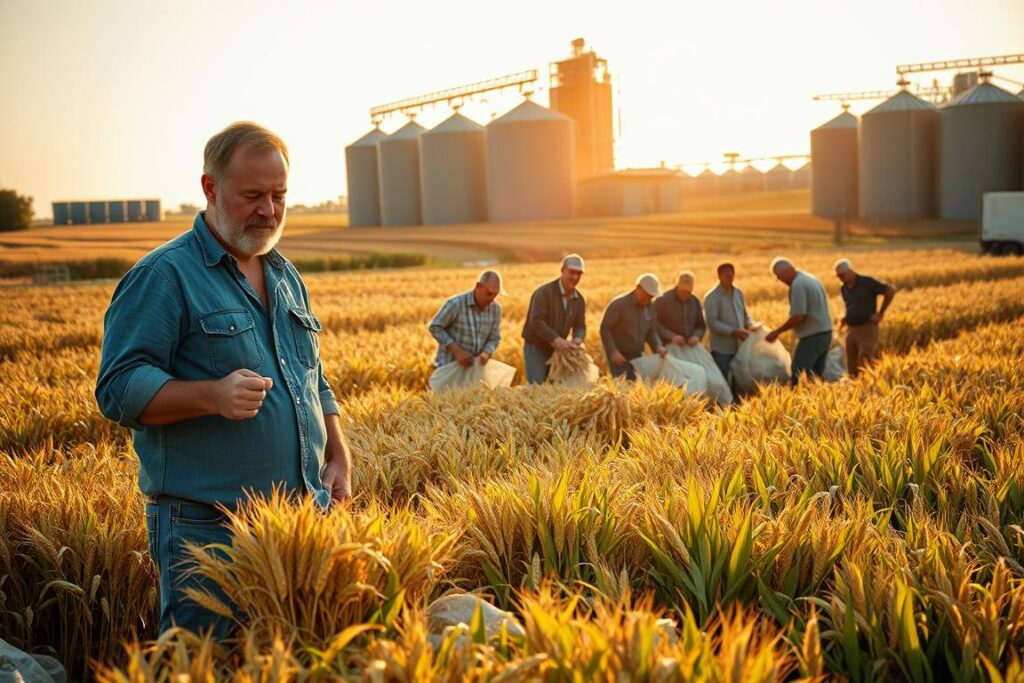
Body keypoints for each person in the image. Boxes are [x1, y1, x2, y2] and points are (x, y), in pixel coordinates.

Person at [95, 122, 353, 638]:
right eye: (253, 195)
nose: (269, 210)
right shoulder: (164, 276)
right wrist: (212, 395)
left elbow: (312, 376)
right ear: (210, 189)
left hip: (302, 522)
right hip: (210, 531)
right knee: (208, 664)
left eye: (279, 195)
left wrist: (338, 453)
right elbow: (118, 388)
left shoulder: (284, 273)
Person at [765, 257, 833, 384]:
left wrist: (777, 331)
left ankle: (799, 400)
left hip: (812, 336)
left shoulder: (798, 285)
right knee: (815, 376)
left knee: (798, 373)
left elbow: (799, 316)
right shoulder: (809, 278)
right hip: (825, 332)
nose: (780, 281)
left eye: (779, 277)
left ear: (787, 271)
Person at [521, 254, 587, 384]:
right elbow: (537, 321)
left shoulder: (579, 299)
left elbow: (580, 325)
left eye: (579, 274)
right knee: (537, 387)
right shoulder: (543, 293)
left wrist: (578, 339)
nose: (575, 277)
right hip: (536, 347)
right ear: (562, 270)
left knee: (555, 389)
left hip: (557, 351)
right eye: (571, 272)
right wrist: (555, 339)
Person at [428, 271, 504, 370]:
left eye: (495, 295)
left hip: (475, 371)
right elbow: (435, 327)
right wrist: (457, 351)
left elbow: (495, 337)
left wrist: (486, 352)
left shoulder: (496, 309)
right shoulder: (456, 304)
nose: (492, 299)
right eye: (489, 293)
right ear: (478, 286)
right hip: (448, 368)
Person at [834, 258, 896, 377]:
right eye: (839, 276)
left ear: (850, 271)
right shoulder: (844, 288)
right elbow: (851, 306)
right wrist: (845, 318)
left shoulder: (867, 282)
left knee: (865, 363)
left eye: (842, 275)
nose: (841, 278)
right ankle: (854, 392)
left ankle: (869, 390)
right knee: (851, 366)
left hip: (867, 328)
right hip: (851, 330)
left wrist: (880, 313)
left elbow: (890, 290)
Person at [600, 273, 667, 380]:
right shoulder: (619, 304)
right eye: (647, 294)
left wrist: (658, 346)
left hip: (637, 356)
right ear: (638, 288)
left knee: (637, 386)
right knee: (623, 387)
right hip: (620, 357)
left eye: (651, 296)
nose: (649, 298)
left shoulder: (650, 307)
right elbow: (605, 328)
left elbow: (652, 331)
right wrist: (613, 352)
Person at [703, 261, 755, 385]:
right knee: (723, 379)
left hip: (740, 345)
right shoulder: (711, 297)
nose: (730, 279)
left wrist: (750, 324)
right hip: (722, 348)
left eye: (732, 276)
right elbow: (712, 322)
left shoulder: (738, 293)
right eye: (727, 276)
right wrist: (733, 331)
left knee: (740, 379)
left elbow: (744, 314)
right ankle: (724, 404)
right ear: (719, 276)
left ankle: (737, 403)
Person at [656, 270, 706, 350]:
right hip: (669, 347)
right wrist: (672, 336)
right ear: (677, 286)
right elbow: (655, 324)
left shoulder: (695, 301)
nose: (685, 295)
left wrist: (696, 336)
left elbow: (701, 326)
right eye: (683, 291)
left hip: (690, 348)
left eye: (688, 292)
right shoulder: (663, 300)